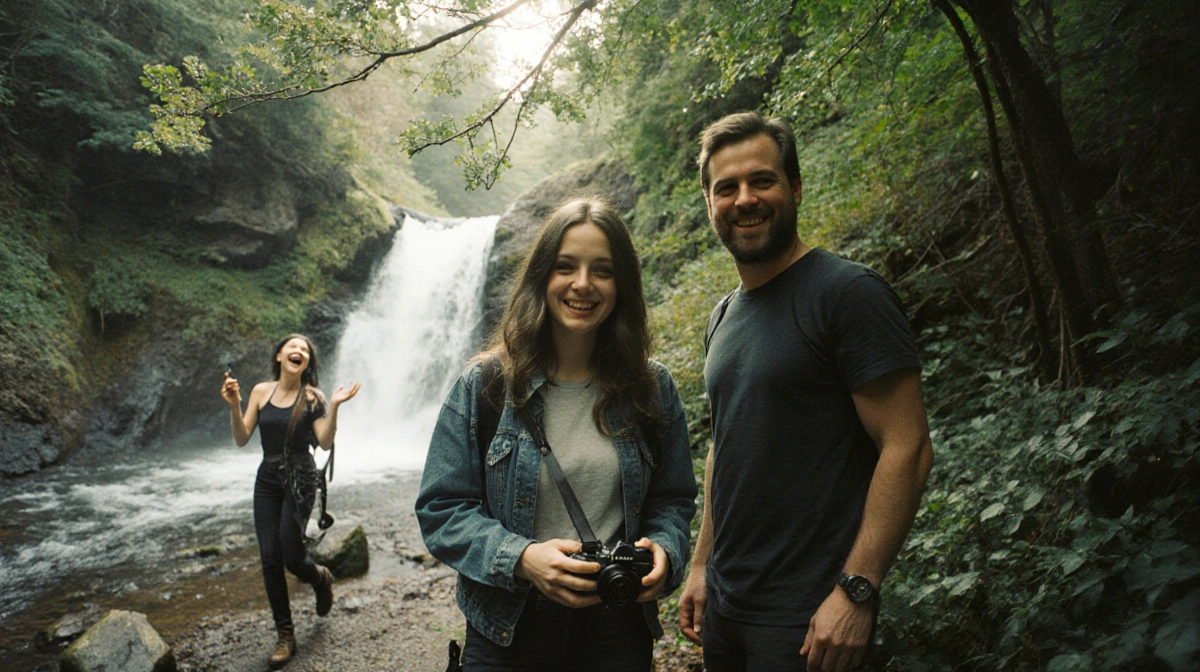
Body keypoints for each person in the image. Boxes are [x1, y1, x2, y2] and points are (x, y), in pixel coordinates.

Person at [678, 111, 935, 672]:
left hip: (809, 618)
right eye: (727, 187)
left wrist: (857, 591)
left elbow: (908, 447)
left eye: (762, 180)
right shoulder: (722, 316)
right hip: (727, 608)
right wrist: (701, 566)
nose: (745, 198)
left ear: (794, 187)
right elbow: (727, 447)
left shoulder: (846, 294)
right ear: (709, 203)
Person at [416, 197, 697, 672]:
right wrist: (522, 557)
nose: (583, 284)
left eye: (602, 270)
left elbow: (673, 502)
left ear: (621, 284)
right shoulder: (485, 385)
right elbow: (440, 509)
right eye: (566, 266)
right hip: (507, 630)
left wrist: (665, 551)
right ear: (542, 276)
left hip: (617, 627)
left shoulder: (651, 388)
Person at [221, 333, 361, 669]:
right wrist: (234, 405)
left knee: (292, 556)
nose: (299, 351)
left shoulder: (313, 397)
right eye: (292, 347)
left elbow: (325, 443)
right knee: (270, 558)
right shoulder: (258, 391)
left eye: (305, 350)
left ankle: (320, 577)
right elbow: (242, 438)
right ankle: (286, 635)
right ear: (280, 356)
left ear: (307, 363)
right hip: (267, 479)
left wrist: (336, 407)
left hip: (301, 480)